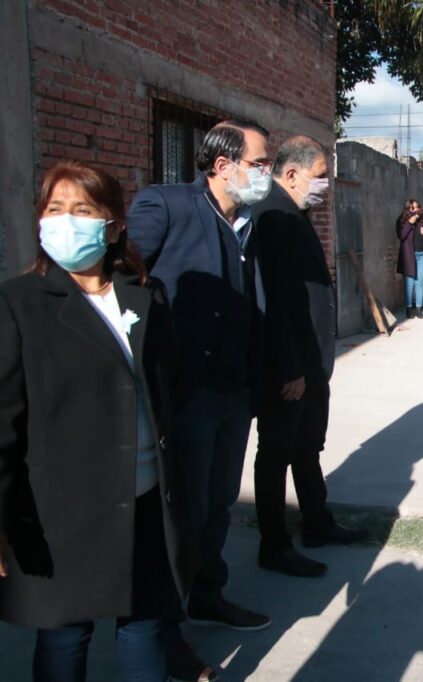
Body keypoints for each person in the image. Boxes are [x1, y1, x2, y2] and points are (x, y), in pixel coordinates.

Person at [0, 161, 196, 681]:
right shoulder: (20, 304)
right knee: (66, 635)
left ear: (112, 226)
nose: (66, 221)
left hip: (147, 500)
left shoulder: (144, 295)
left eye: (82, 210)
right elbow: (4, 421)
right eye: (54, 209)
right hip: (63, 512)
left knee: (144, 628)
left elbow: (167, 391)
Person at [128, 120, 272, 677]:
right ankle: (165, 636)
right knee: (179, 514)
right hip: (186, 392)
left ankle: (208, 595)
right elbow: (124, 274)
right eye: (259, 164)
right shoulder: (166, 205)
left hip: (233, 390)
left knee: (216, 504)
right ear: (222, 166)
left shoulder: (247, 223)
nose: (264, 173)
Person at [251, 135, 367, 578]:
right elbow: (276, 302)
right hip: (292, 367)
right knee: (276, 452)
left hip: (311, 363)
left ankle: (317, 523)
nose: (325, 187)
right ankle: (274, 543)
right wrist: (291, 368)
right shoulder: (274, 216)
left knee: (306, 447)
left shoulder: (293, 212)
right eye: (321, 177)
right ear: (293, 173)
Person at [395, 199, 423, 319]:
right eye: (412, 208)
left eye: (416, 207)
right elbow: (401, 236)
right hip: (409, 256)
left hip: (421, 255)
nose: (414, 210)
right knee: (409, 283)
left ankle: (419, 308)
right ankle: (408, 309)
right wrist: (409, 223)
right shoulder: (402, 220)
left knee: (420, 282)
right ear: (407, 209)